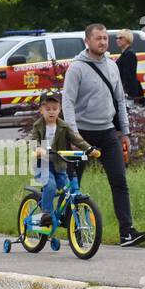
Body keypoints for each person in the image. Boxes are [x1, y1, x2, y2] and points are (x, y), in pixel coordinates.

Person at [62, 23, 145, 246]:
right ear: (87, 41)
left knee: (119, 181)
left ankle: (127, 232)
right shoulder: (76, 68)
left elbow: (120, 100)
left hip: (108, 133)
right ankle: (76, 229)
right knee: (75, 186)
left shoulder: (112, 65)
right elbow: (68, 103)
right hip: (81, 134)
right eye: (98, 38)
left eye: (105, 38)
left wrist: (125, 132)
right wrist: (73, 136)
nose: (102, 42)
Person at [29, 90, 99, 228]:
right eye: (47, 109)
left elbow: (76, 139)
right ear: (41, 110)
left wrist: (89, 149)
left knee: (68, 190)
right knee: (50, 186)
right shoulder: (37, 126)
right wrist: (38, 149)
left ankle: (60, 215)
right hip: (43, 165)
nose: (51, 112)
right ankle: (46, 213)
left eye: (54, 109)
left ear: (60, 109)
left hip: (60, 165)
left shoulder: (63, 126)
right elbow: (33, 141)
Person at [116, 29, 145, 110]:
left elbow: (129, 75)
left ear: (127, 39)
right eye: (117, 38)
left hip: (129, 92)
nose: (117, 40)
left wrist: (125, 91)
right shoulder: (125, 53)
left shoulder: (129, 53)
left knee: (129, 115)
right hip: (126, 90)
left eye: (120, 38)